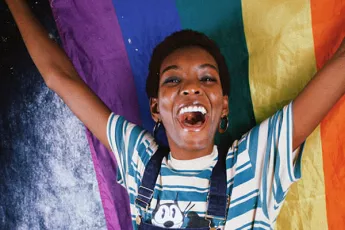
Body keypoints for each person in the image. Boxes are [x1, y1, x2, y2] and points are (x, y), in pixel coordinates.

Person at [5, 0, 345, 229]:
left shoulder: (254, 163)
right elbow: (58, 78)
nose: (191, 87)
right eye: (173, 80)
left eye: (207, 77)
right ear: (156, 107)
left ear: (223, 105)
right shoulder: (139, 158)